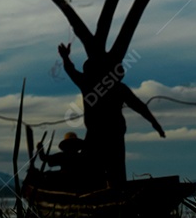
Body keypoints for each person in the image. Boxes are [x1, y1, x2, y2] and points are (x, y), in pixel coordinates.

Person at [57, 43, 164, 187]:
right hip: (111, 134)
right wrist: (154, 123)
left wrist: (65, 57)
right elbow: (139, 106)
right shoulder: (115, 87)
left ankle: (104, 193)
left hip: (103, 134)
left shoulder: (89, 84)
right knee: (113, 170)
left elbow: (71, 70)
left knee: (100, 170)